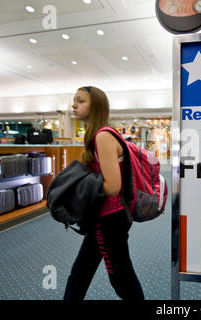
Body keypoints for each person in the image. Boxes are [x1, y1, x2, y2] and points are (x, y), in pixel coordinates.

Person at [63, 86, 144, 300]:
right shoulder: (103, 134)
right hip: (105, 217)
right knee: (80, 274)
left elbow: (112, 186)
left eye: (80, 100)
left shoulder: (103, 137)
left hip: (109, 219)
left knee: (121, 279)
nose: (74, 105)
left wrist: (80, 188)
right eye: (74, 100)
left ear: (96, 106)